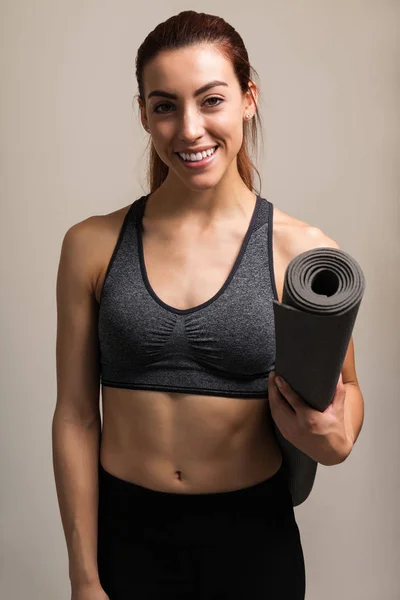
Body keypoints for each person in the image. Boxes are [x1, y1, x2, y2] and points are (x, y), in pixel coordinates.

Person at [53, 9, 359, 600]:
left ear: (248, 98)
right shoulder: (90, 245)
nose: (190, 129)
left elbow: (347, 394)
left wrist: (336, 435)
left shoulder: (303, 251)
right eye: (165, 106)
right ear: (144, 113)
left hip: (253, 542)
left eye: (211, 100)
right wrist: (84, 576)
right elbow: (74, 416)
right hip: (126, 540)